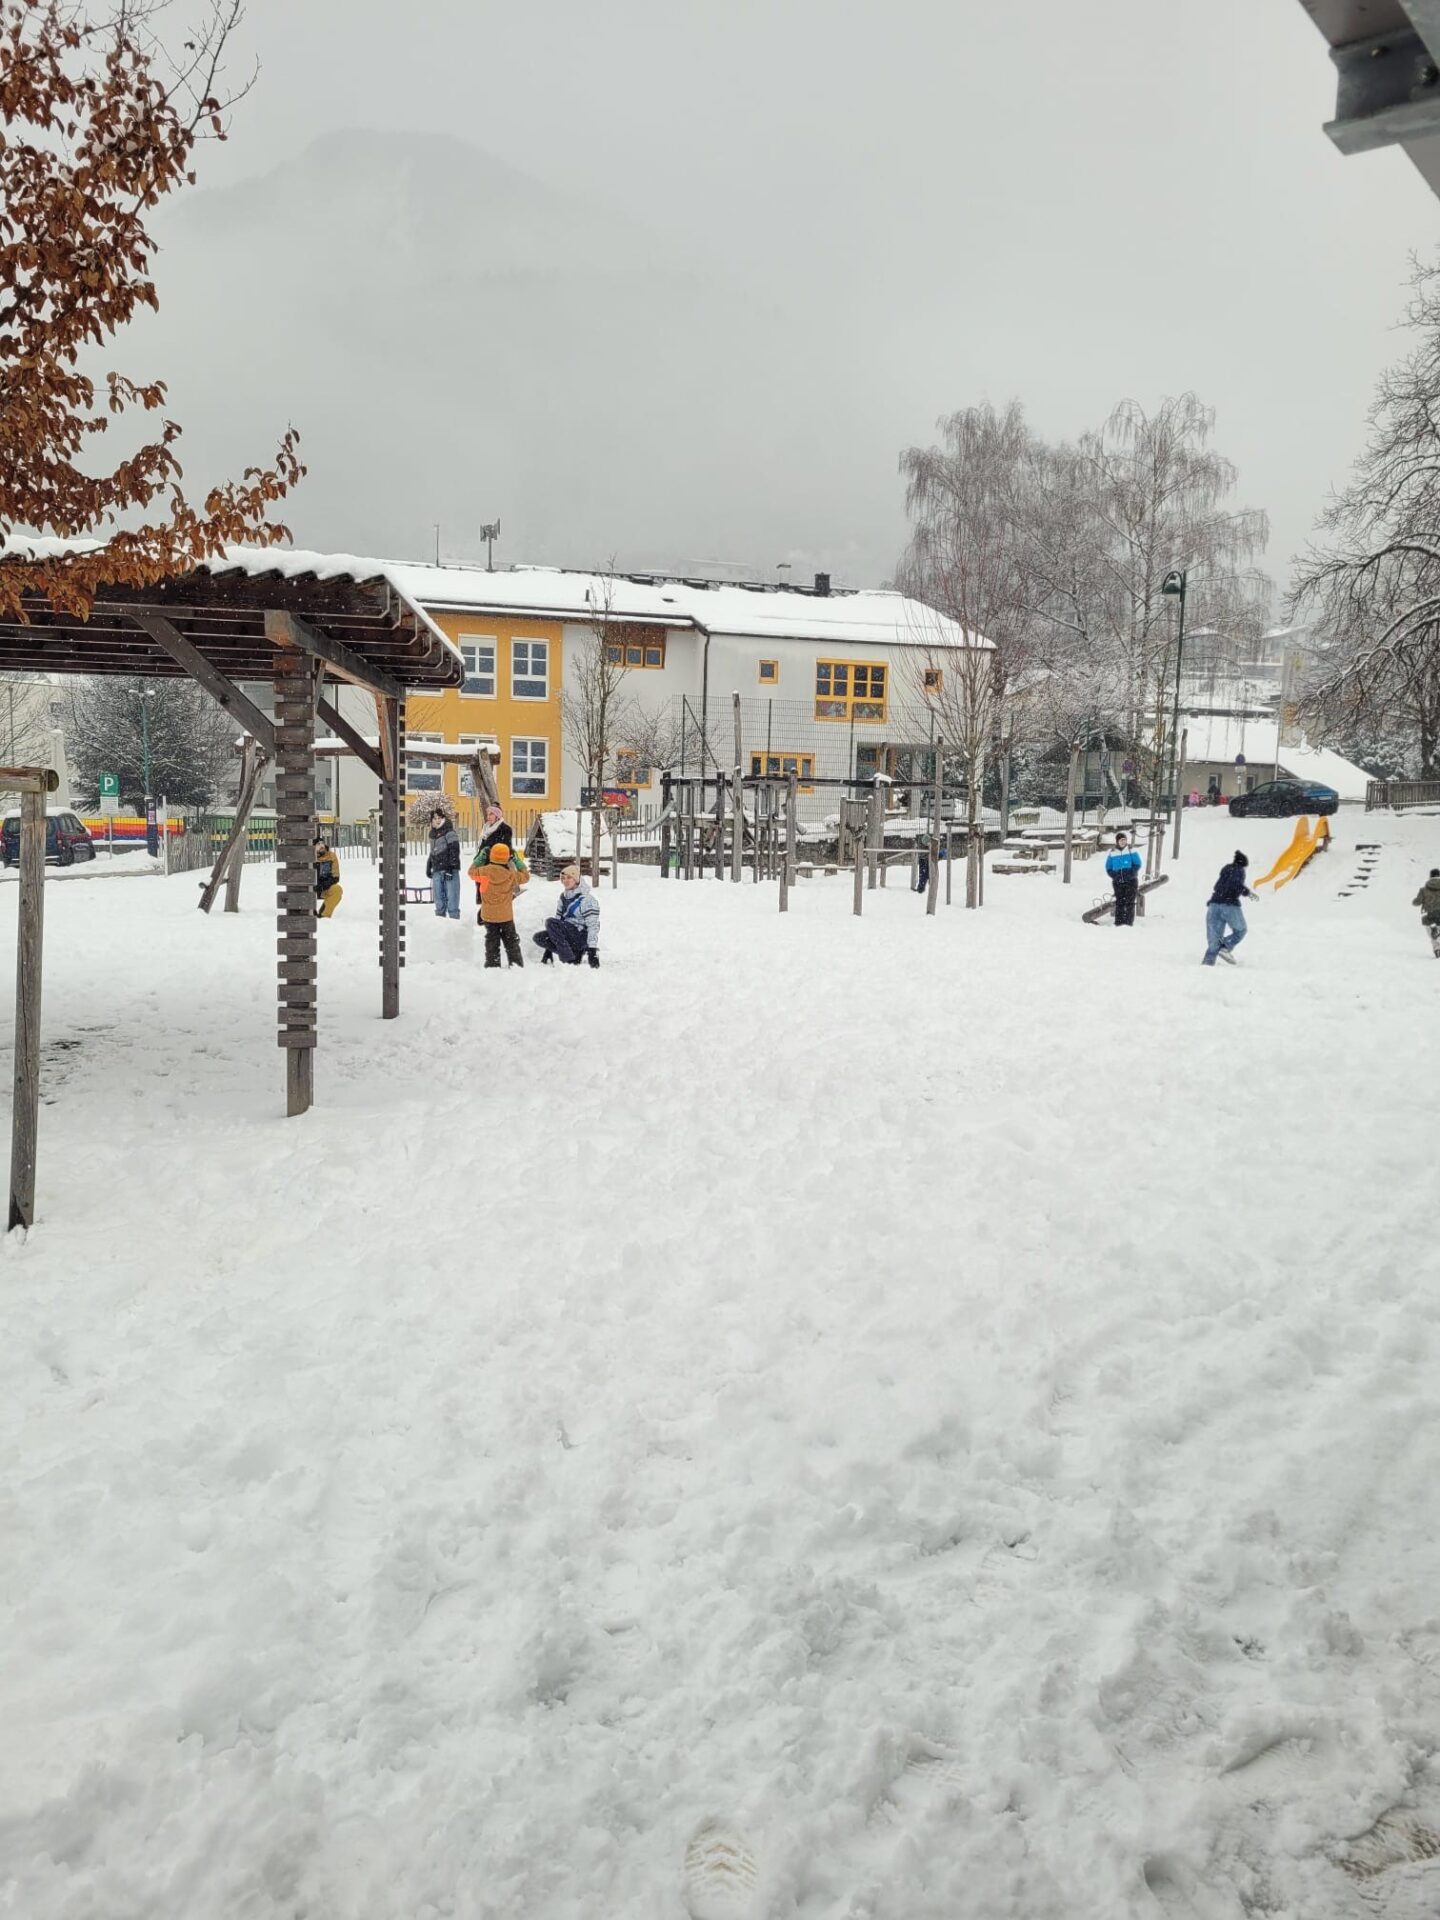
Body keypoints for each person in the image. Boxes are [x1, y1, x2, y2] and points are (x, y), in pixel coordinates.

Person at [533, 862, 601, 966]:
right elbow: (558, 921)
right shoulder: (563, 897)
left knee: (550, 922)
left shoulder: (586, 899)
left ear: (576, 880)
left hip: (581, 935)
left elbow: (593, 926)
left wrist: (593, 951)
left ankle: (569, 959)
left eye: (569, 877)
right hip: (569, 934)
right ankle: (574, 953)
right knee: (539, 937)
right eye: (563, 878)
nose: (565, 881)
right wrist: (548, 950)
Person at [469, 806, 526, 921]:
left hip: (497, 864)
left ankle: (492, 913)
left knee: (495, 889)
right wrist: (479, 858)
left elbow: (504, 847)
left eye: (491, 814)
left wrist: (491, 856)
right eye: (488, 814)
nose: (488, 817)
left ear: (497, 815)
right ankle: (486, 911)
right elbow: (483, 847)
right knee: (484, 889)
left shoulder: (505, 829)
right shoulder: (486, 828)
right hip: (485, 863)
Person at [477, 842, 528, 967]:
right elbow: (526, 876)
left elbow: (470, 871)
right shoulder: (511, 874)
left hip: (488, 915)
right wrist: (517, 862)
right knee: (511, 941)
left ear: (491, 856)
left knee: (491, 941)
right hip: (505, 916)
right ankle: (516, 964)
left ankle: (492, 964)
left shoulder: (483, 871)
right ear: (507, 858)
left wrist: (480, 859)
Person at [1203, 849, 1255, 966]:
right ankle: (1225, 947)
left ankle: (1207, 964)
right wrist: (1247, 892)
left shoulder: (1226, 870)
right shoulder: (1238, 870)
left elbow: (1217, 886)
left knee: (1214, 939)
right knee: (1241, 930)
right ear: (1243, 864)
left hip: (1214, 905)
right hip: (1229, 905)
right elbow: (1235, 884)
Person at [426, 806, 462, 919]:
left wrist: (451, 868)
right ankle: (440, 925)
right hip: (437, 870)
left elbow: (454, 850)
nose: (437, 820)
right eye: (434, 818)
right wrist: (429, 865)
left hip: (449, 870)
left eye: (439, 817)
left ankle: (454, 922)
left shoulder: (449, 832)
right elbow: (433, 852)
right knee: (439, 900)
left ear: (443, 818)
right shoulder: (432, 835)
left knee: (452, 899)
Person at [1104, 830, 1142, 926]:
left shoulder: (1131, 850)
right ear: (1117, 842)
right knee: (1120, 901)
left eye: (1124, 840)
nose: (1123, 842)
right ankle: (1119, 922)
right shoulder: (1112, 853)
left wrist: (1130, 873)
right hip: (1118, 881)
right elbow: (1108, 867)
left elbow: (1137, 864)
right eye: (1121, 840)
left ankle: (1129, 922)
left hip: (1131, 880)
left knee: (1130, 902)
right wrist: (1115, 875)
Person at [1412, 867, 1440, 955]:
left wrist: (1414, 901)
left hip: (1429, 914)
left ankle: (1437, 948)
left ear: (1430, 876)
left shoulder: (1424, 890)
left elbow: (1417, 902)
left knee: (1432, 934)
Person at [314, 835, 342, 919]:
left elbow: (335, 877)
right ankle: (308, 911)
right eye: (318, 844)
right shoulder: (309, 857)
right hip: (309, 889)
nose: (321, 846)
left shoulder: (331, 856)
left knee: (337, 890)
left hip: (324, 888)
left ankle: (324, 915)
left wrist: (323, 886)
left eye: (322, 843)